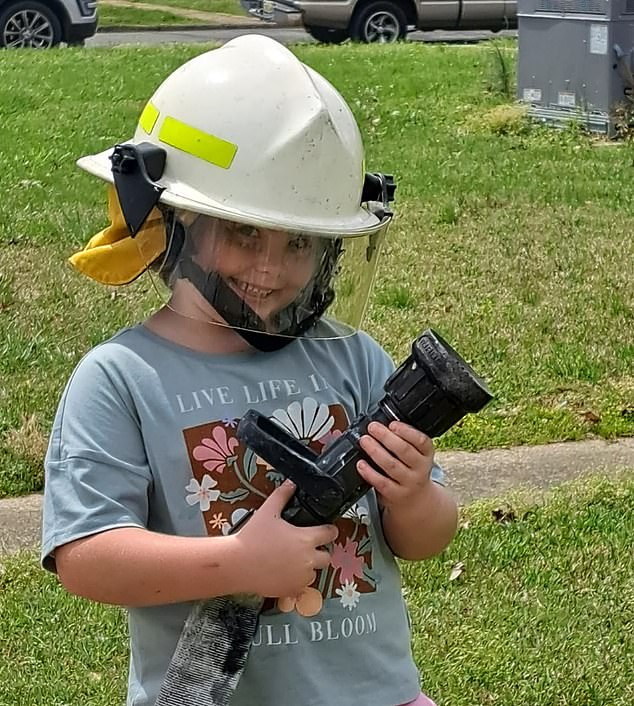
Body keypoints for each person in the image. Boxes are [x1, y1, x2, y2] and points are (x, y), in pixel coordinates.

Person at [41, 34, 458, 706]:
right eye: (243, 234)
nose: (272, 268)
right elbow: (86, 557)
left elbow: (424, 538)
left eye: (299, 242)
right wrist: (237, 564)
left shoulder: (354, 358)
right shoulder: (121, 379)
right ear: (172, 220)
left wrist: (413, 496)